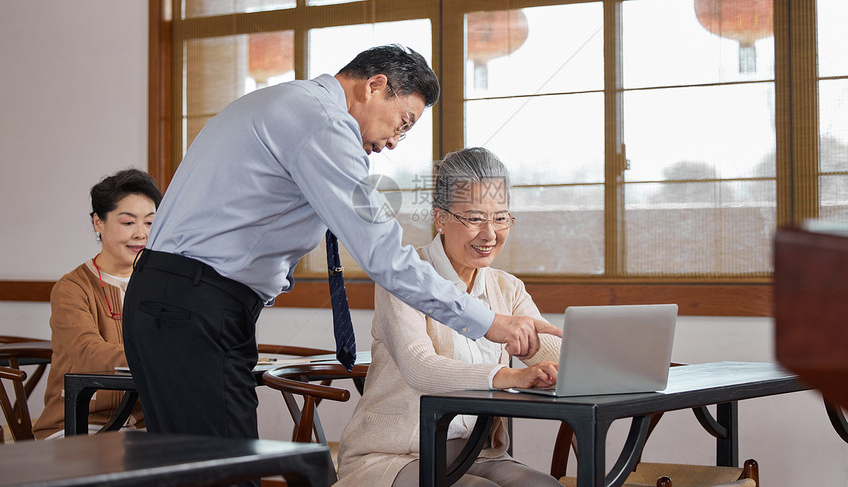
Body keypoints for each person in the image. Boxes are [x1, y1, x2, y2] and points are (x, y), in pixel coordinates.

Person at [123, 45, 562, 445]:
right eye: (402, 123)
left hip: (174, 299)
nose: (393, 142)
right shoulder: (325, 123)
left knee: (190, 466)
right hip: (194, 305)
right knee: (225, 471)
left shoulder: (289, 104)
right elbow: (383, 254)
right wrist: (488, 322)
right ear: (374, 87)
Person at [335, 147, 562, 487]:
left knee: (544, 486)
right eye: (474, 219)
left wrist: (532, 350)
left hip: (479, 452)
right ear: (440, 219)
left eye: (500, 218)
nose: (489, 234)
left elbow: (558, 359)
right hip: (394, 455)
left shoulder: (507, 288)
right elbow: (419, 366)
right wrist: (509, 376)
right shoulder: (405, 277)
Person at [33, 168, 161, 439]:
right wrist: (165, 357)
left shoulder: (160, 287)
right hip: (79, 425)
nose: (141, 234)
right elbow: (88, 354)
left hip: (141, 424)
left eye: (149, 223)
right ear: (98, 223)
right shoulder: (72, 288)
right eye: (128, 223)